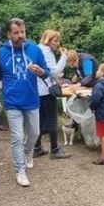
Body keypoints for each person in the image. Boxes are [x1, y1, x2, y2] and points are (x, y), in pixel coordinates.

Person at [0, 18, 50, 187]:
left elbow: (46, 73)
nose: (20, 35)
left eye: (22, 32)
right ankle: (20, 170)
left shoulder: (35, 50)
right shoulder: (1, 53)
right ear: (9, 34)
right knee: (17, 137)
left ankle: (27, 152)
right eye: (16, 33)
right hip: (12, 101)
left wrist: (41, 71)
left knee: (35, 133)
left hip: (31, 100)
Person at [34, 29, 72, 159]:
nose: (58, 43)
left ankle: (37, 148)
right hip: (46, 91)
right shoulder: (46, 51)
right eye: (55, 40)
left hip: (38, 90)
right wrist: (64, 57)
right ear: (47, 40)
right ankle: (55, 150)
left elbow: (48, 72)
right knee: (52, 120)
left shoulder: (38, 49)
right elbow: (54, 72)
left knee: (40, 120)